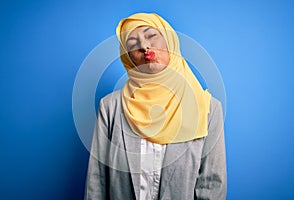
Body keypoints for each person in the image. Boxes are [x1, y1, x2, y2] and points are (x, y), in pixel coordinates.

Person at [84, 13, 226, 200]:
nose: (144, 46)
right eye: (133, 44)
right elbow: (97, 182)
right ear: (130, 59)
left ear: (170, 42)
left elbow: (212, 186)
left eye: (151, 36)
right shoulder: (110, 107)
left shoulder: (208, 108)